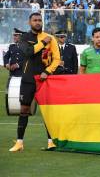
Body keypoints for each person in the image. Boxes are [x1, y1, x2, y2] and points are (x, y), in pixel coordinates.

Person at [9, 12, 60, 152]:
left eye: (40, 20)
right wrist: (43, 42)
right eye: (35, 20)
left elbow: (57, 59)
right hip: (28, 79)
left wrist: (47, 71)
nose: (38, 22)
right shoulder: (24, 37)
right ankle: (19, 143)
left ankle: (51, 142)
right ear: (29, 22)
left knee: (46, 111)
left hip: (45, 80)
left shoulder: (52, 39)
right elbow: (28, 52)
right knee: (24, 109)